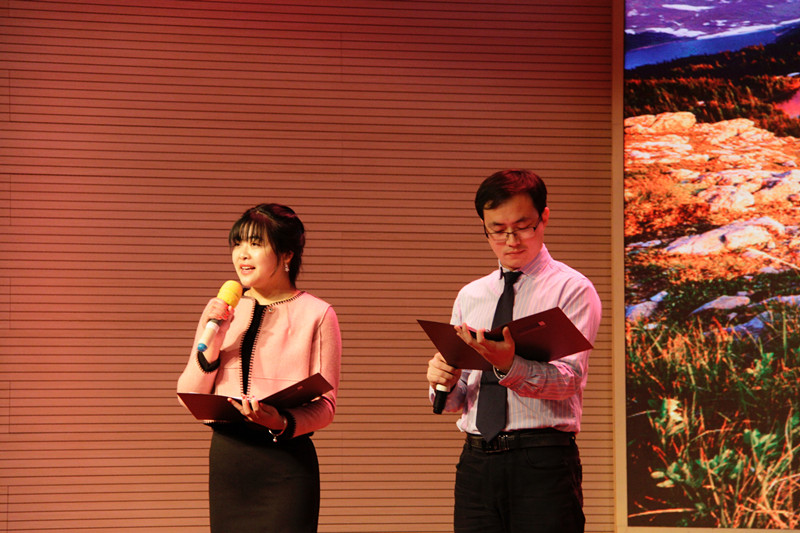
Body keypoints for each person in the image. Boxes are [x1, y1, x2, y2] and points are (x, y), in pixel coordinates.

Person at [426, 170, 601, 533]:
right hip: (476, 460)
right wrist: (444, 380)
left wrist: (509, 365)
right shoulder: (471, 295)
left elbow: (569, 381)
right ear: (484, 226)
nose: (511, 240)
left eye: (523, 227)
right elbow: (459, 399)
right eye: (497, 229)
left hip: (541, 458)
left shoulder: (571, 288)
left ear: (544, 217)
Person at [177, 203, 341, 533]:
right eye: (237, 243)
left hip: (285, 464)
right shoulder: (222, 309)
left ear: (287, 253)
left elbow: (326, 406)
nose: (242, 254)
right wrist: (215, 339)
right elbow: (189, 395)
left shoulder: (318, 314)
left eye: (255, 243)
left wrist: (280, 421)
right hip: (229, 462)